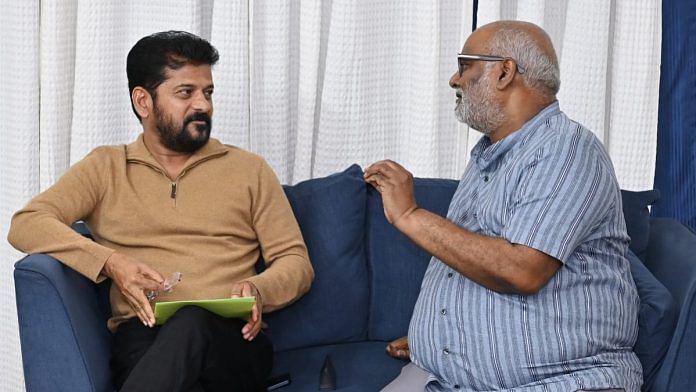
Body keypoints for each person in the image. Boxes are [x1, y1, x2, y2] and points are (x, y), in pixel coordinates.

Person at [8, 31, 314, 392]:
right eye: (186, 93)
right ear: (143, 101)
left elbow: (296, 261)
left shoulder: (249, 170)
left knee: (192, 322)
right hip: (144, 338)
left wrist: (260, 289)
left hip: (233, 343)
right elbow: (26, 224)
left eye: (208, 92)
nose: (203, 105)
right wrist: (111, 264)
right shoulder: (106, 168)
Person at [365, 21, 641, 392]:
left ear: (505, 72)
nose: (453, 79)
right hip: (443, 375)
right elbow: (474, 258)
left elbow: (521, 270)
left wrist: (410, 215)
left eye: (465, 66)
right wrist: (442, 339)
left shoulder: (566, 149)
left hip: (558, 383)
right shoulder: (488, 157)